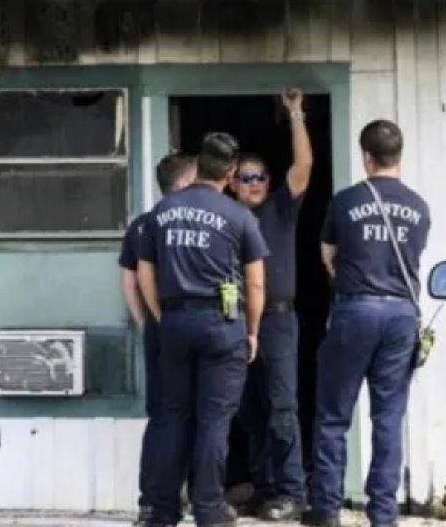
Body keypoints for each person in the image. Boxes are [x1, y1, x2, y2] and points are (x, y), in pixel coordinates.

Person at [304, 119, 431, 527]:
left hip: (355, 310)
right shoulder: (419, 207)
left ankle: (327, 509)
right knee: (388, 418)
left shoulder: (345, 202)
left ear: (366, 157)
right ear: (398, 154)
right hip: (400, 315)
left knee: (333, 416)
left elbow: (327, 256)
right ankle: (383, 514)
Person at [137, 131, 268, 527]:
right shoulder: (239, 216)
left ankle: (163, 511)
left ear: (199, 167)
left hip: (175, 321)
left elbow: (145, 273)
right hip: (222, 324)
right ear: (230, 173)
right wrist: (252, 331)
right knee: (214, 421)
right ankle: (209, 510)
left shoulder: (162, 211)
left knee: (172, 417)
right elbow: (255, 283)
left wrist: (162, 316)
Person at [230, 88, 314, 521]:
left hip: (278, 320)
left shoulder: (280, 208)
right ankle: (264, 490)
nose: (256, 183)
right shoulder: (225, 217)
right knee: (250, 411)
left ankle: (292, 491)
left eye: (261, 176)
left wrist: (295, 114)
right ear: (231, 182)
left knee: (282, 408)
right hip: (236, 322)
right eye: (246, 177)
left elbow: (303, 167)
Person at [119, 152, 197, 525]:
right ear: (183, 183)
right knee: (197, 413)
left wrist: (147, 322)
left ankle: (151, 500)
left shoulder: (141, 225)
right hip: (188, 324)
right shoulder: (191, 223)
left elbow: (128, 281)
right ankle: (194, 495)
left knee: (163, 415)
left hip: (158, 329)